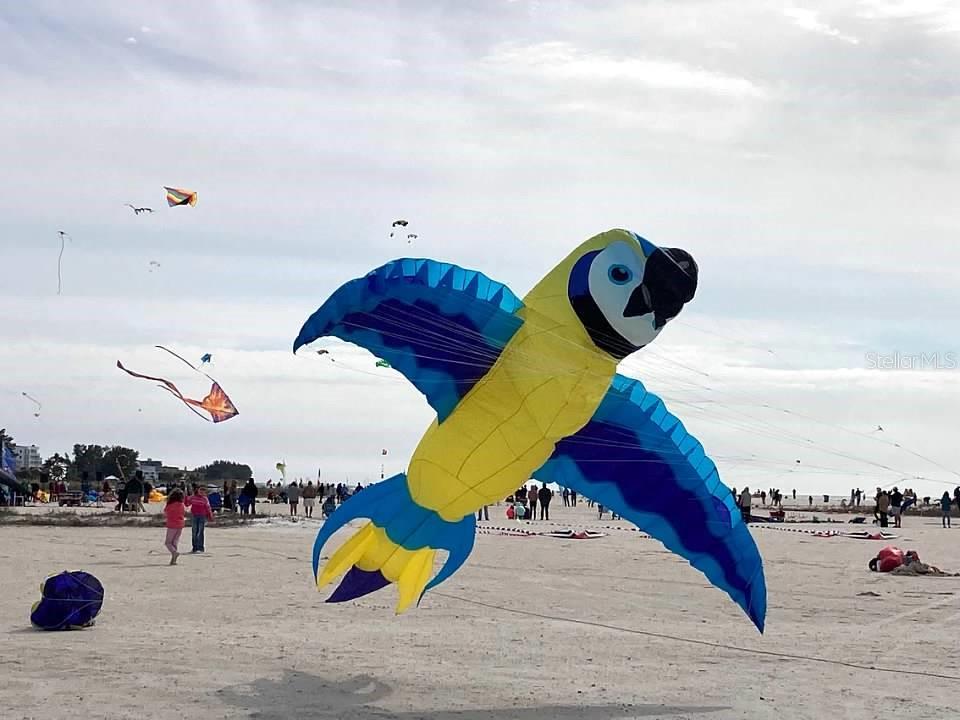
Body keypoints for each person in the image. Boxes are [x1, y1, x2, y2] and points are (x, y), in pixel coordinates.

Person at [185, 485, 214, 553]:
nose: (201, 492)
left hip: (202, 516)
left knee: (200, 532)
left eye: (203, 491)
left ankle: (200, 548)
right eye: (200, 490)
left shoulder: (205, 499)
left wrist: (210, 516)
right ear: (198, 491)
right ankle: (194, 548)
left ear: (205, 493)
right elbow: (187, 504)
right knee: (194, 532)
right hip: (194, 516)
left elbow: (208, 508)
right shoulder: (193, 497)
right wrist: (186, 497)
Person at [163, 489, 186, 565]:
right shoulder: (181, 504)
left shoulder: (170, 504)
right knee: (175, 542)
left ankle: (174, 552)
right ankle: (173, 559)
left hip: (172, 524)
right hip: (180, 524)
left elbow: (165, 512)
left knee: (168, 542)